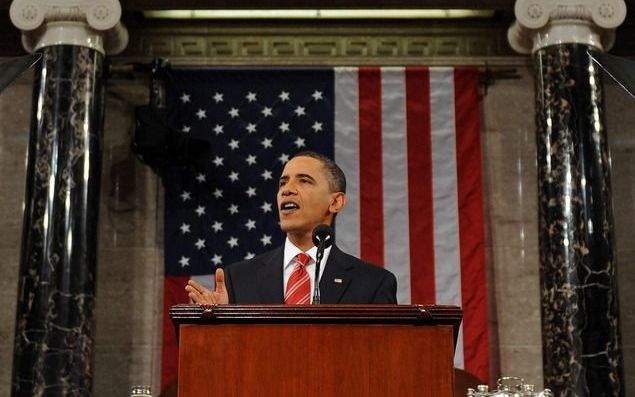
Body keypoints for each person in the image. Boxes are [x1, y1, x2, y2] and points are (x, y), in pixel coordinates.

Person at [185, 151, 397, 304]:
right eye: (283, 183)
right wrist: (216, 323)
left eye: (304, 181)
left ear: (336, 203)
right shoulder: (238, 279)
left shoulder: (373, 284)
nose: (287, 190)